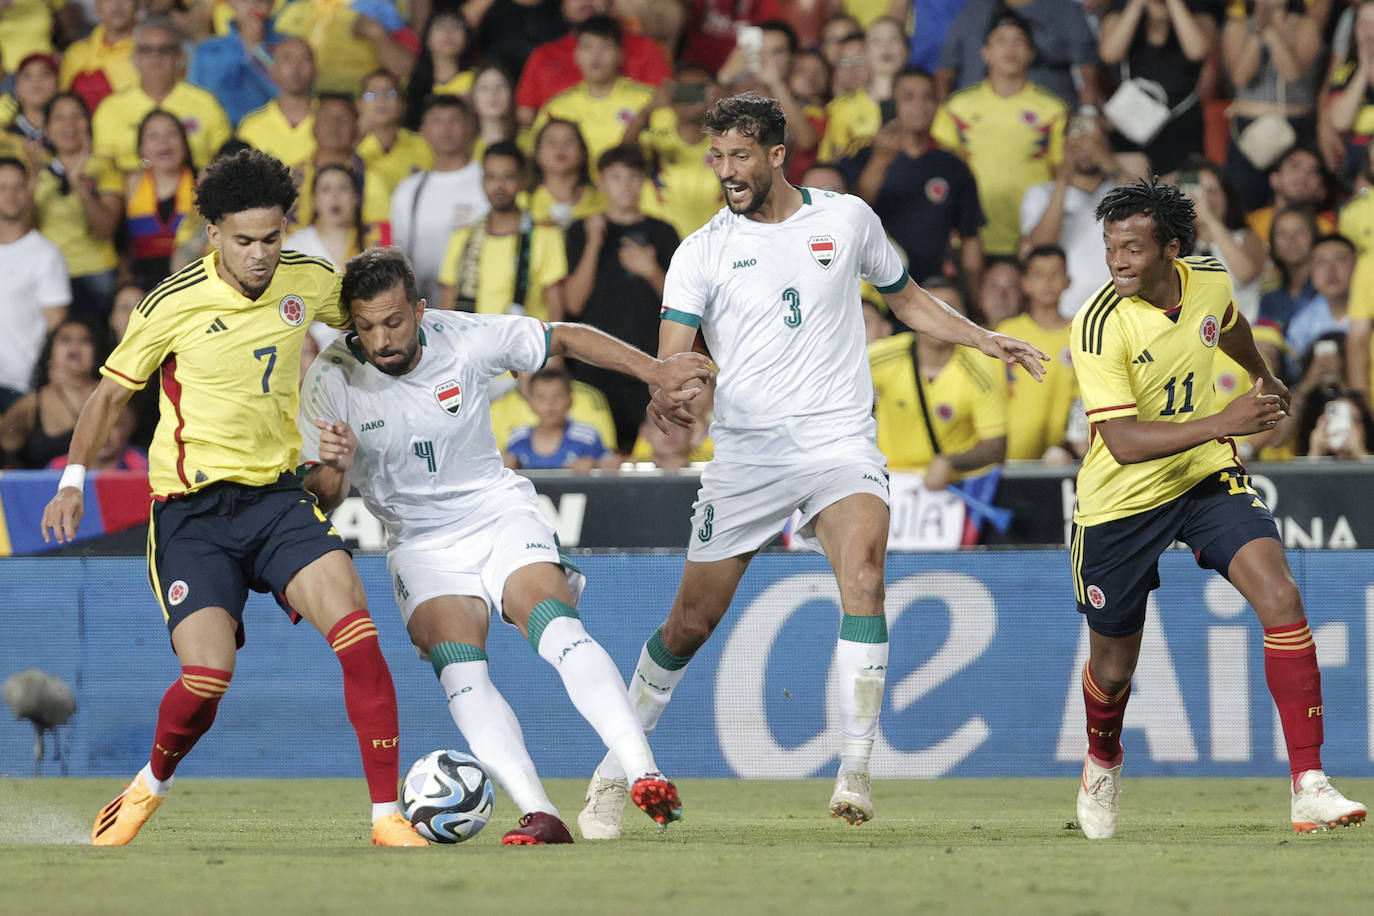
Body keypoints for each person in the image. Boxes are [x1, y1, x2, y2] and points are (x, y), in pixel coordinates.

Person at [575, 92, 1047, 840]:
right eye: (716, 157)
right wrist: (676, 389)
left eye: (739, 156)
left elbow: (909, 300)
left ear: (774, 155)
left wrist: (984, 339)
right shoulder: (699, 250)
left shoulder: (847, 219)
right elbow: (675, 352)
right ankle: (613, 770)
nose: (727, 171)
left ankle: (855, 770)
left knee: (864, 573)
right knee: (689, 624)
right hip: (748, 455)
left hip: (838, 443)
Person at [40, 149, 428, 848]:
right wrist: (74, 480)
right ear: (213, 234)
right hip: (192, 515)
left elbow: (377, 315)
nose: (259, 254)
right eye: (244, 240)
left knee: (361, 639)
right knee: (209, 675)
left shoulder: (307, 280)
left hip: (278, 501)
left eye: (272, 238)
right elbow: (108, 396)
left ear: (287, 229)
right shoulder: (170, 304)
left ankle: (386, 817)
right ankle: (147, 787)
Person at [298, 246, 704, 840]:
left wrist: (654, 371)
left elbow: (562, 336)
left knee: (553, 624)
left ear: (419, 309)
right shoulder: (330, 381)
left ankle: (644, 771)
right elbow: (326, 497)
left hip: (496, 513)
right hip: (419, 543)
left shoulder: (462, 337)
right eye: (364, 327)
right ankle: (540, 812)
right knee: (461, 671)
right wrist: (333, 467)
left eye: (393, 322)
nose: (380, 339)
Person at [1068, 177, 1365, 839]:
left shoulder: (1206, 275)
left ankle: (1309, 784)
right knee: (1113, 671)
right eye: (1111, 246)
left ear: (1172, 249)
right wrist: (1224, 420)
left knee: (1282, 597)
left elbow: (1226, 326)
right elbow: (1120, 442)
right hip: (1121, 503)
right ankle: (1103, 758)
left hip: (1202, 479)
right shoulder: (1097, 324)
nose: (1117, 260)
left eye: (1133, 248)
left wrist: (1263, 375)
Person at [563, 144, 679, 450]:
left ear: (643, 181)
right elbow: (573, 303)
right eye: (615, 178)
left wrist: (650, 269)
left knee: (649, 454)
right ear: (600, 181)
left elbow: (682, 306)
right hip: (594, 364)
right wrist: (592, 243)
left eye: (633, 177)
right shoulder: (581, 230)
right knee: (599, 454)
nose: (625, 186)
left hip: (649, 361)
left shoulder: (663, 232)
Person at [932, 11, 1068, 259]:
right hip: (970, 234)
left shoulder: (1053, 111)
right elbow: (942, 172)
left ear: (1031, 52)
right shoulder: (957, 108)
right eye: (1000, 40)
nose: (1010, 49)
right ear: (985, 52)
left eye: (1018, 41)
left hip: (1031, 234)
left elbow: (1061, 174)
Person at [844, 66, 985, 299]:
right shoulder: (864, 156)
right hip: (874, 291)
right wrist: (880, 160)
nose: (919, 105)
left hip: (935, 290)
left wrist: (975, 298)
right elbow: (852, 212)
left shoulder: (954, 166)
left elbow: (970, 238)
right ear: (893, 104)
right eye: (908, 97)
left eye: (927, 97)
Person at [868, 278, 1009, 487]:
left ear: (964, 317)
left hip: (954, 490)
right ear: (912, 315)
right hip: (891, 485)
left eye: (949, 310)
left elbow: (996, 445)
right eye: (930, 309)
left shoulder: (980, 370)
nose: (939, 319)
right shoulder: (882, 357)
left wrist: (952, 463)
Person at [435, 142, 567, 320]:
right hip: (470, 342)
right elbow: (447, 303)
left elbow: (555, 306)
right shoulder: (462, 237)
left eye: (509, 177)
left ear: (523, 180)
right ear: (482, 181)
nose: (499, 186)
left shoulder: (546, 235)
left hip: (526, 344)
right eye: (491, 177)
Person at [91, 18, 233, 172]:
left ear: (180, 56)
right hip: (128, 193)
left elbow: (224, 158)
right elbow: (104, 165)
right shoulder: (111, 107)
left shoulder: (206, 102)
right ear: (135, 57)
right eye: (146, 50)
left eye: (164, 49)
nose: (155, 56)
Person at [1220, 0, 1323, 210]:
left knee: (1296, 204)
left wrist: (1273, 33)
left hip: (1294, 127)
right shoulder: (1237, 26)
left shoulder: (1306, 26)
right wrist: (1258, 33)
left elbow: (1292, 74)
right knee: (1244, 203)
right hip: (1250, 130)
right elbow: (1240, 77)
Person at [1097, 0, 1219, 175]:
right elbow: (1109, 54)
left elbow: (1197, 51)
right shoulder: (1120, 11)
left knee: (1181, 193)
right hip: (1131, 120)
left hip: (1180, 122)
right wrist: (1136, 5)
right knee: (1132, 192)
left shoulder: (1199, 11)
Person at [32, 92, 123, 319]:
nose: (69, 124)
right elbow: (22, 230)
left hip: (97, 273)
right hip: (46, 274)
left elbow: (105, 229)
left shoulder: (104, 167)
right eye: (59, 118)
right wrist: (32, 178)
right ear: (47, 127)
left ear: (88, 123)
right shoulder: (33, 169)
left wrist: (78, 185)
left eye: (77, 116)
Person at [390, 95, 487, 306]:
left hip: (474, 305)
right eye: (437, 121)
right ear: (423, 130)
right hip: (424, 307)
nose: (446, 129)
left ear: (472, 127)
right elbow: (399, 251)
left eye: (454, 120)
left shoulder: (487, 181)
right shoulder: (409, 189)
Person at [1019, 114, 1116, 320]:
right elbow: (1040, 246)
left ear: (1105, 143)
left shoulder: (1122, 191)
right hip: (1066, 311)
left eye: (1093, 139)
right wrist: (1063, 180)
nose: (1085, 147)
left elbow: (1150, 212)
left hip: (1119, 309)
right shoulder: (1042, 193)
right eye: (1076, 140)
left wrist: (1110, 163)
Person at [530, 16, 653, 177]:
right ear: (576, 55)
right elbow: (536, 158)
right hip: (578, 197)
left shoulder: (648, 100)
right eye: (587, 47)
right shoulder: (557, 108)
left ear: (621, 55)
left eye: (605, 47)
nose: (596, 55)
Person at [0, 156, 71, 412]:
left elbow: (56, 328)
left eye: (18, 187)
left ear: (29, 193)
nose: (10, 195)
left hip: (20, 384)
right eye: (2, 187)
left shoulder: (45, 254)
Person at [937, 0, 1099, 110]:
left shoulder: (1064, 8)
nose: (1010, 48)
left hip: (1046, 118)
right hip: (976, 118)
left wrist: (1088, 114)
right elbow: (945, 73)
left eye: (1018, 40)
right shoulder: (974, 10)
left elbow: (1090, 75)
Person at [999, 245, 1077, 461]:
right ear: (1025, 283)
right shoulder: (1008, 332)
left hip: (1062, 452)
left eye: (1055, 274)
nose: (1047, 282)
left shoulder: (1079, 333)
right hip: (1008, 452)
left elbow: (1083, 399)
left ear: (1068, 281)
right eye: (1038, 274)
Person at [626, 66, 722, 242]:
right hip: (659, 247)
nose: (690, 98)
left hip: (715, 247)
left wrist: (727, 107)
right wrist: (649, 109)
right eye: (683, 91)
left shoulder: (729, 143)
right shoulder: (653, 141)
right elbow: (621, 157)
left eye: (699, 90)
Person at [1, 318, 102, 468]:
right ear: (50, 352)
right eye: (65, 339)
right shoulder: (32, 403)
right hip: (43, 489)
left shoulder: (111, 393)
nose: (75, 345)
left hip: (101, 488)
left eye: (85, 340)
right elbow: (6, 446)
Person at [124, 110, 196, 291]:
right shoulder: (131, 184)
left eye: (172, 134)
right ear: (141, 148)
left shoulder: (202, 182)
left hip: (192, 283)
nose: (164, 142)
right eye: (153, 136)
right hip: (143, 286)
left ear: (185, 143)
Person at [188, 0, 280, 126]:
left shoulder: (287, 46)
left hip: (268, 133)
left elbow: (290, 93)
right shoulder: (209, 50)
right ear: (231, 2)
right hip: (218, 134)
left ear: (272, 4)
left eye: (261, 1)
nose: (253, 6)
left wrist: (256, 50)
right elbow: (193, 99)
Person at [504, 365, 610, 471]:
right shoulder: (518, 437)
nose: (550, 403)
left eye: (558, 396)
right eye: (541, 397)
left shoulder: (587, 436)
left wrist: (595, 464)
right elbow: (506, 469)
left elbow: (611, 464)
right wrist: (507, 465)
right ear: (530, 402)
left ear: (570, 400)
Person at [235, 37, 318, 170]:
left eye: (304, 59)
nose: (295, 68)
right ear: (272, 71)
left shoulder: (330, 122)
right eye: (287, 59)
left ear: (315, 69)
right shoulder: (251, 126)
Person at [356, 70, 434, 198]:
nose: (381, 99)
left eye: (390, 93)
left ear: (403, 104)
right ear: (359, 104)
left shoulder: (424, 144)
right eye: (372, 94)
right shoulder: (352, 147)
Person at [59, 0, 139, 114]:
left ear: (138, 4)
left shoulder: (153, 54)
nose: (117, 5)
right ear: (96, 6)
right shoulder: (76, 54)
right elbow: (64, 109)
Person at [1286, 233, 1355, 359]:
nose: (1331, 270)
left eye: (1340, 259)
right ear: (1311, 272)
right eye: (1321, 262)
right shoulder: (1301, 324)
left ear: (1356, 265)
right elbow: (1294, 373)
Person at [403, 10, 476, 130]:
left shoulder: (477, 80)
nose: (448, 33)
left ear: (467, 39)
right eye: (440, 26)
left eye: (456, 27)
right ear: (427, 38)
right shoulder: (411, 82)